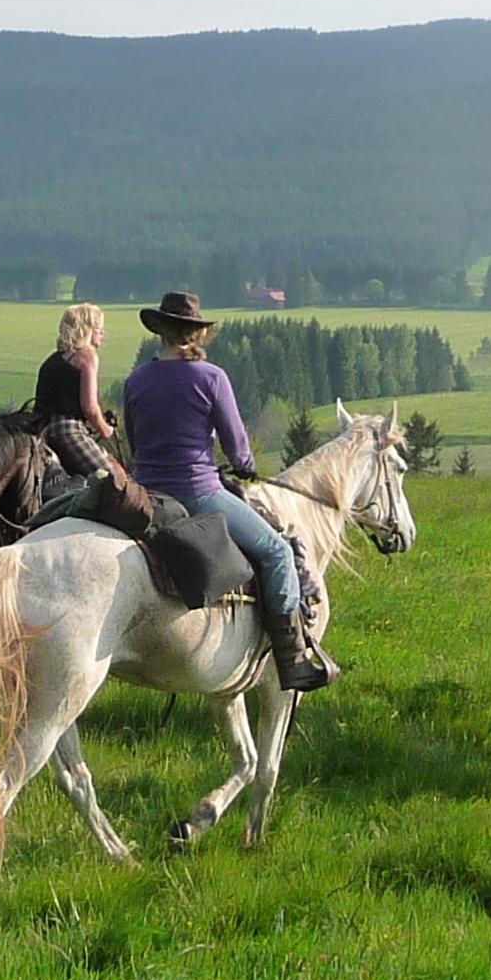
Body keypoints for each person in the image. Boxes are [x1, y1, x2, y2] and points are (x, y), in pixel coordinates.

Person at [118, 290, 338, 691]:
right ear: (196, 335)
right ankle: (293, 661)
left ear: (162, 333)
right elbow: (237, 445)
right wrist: (246, 467)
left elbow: (135, 441)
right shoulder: (211, 377)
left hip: (148, 491)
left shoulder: (136, 380)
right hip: (198, 491)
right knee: (276, 551)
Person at [35, 301, 114, 440]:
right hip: (67, 431)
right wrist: (105, 429)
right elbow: (89, 407)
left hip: (40, 431)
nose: (103, 334)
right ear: (87, 330)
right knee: (104, 463)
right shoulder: (87, 357)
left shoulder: (51, 361)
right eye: (99, 329)